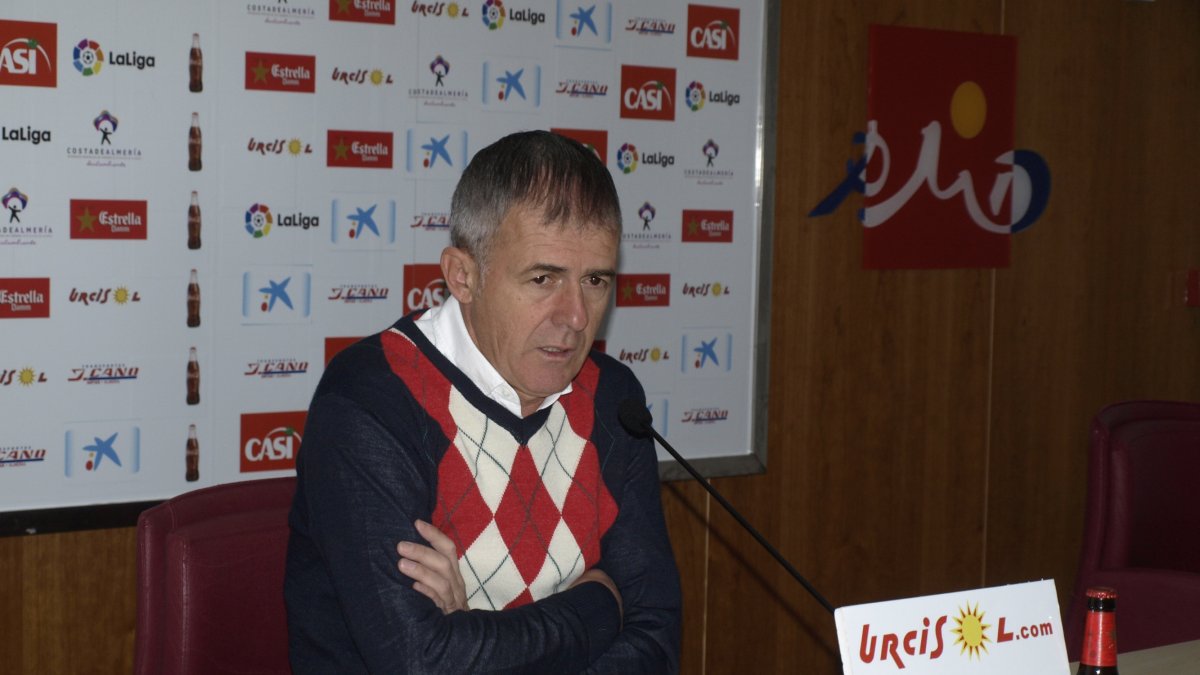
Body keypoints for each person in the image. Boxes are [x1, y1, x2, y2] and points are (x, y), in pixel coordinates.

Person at [285, 130, 682, 673]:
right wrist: (599, 605)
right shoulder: (372, 401)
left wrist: (473, 632)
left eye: (594, 280)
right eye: (543, 278)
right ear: (463, 277)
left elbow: (656, 637)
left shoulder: (612, 398)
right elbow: (420, 661)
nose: (575, 316)